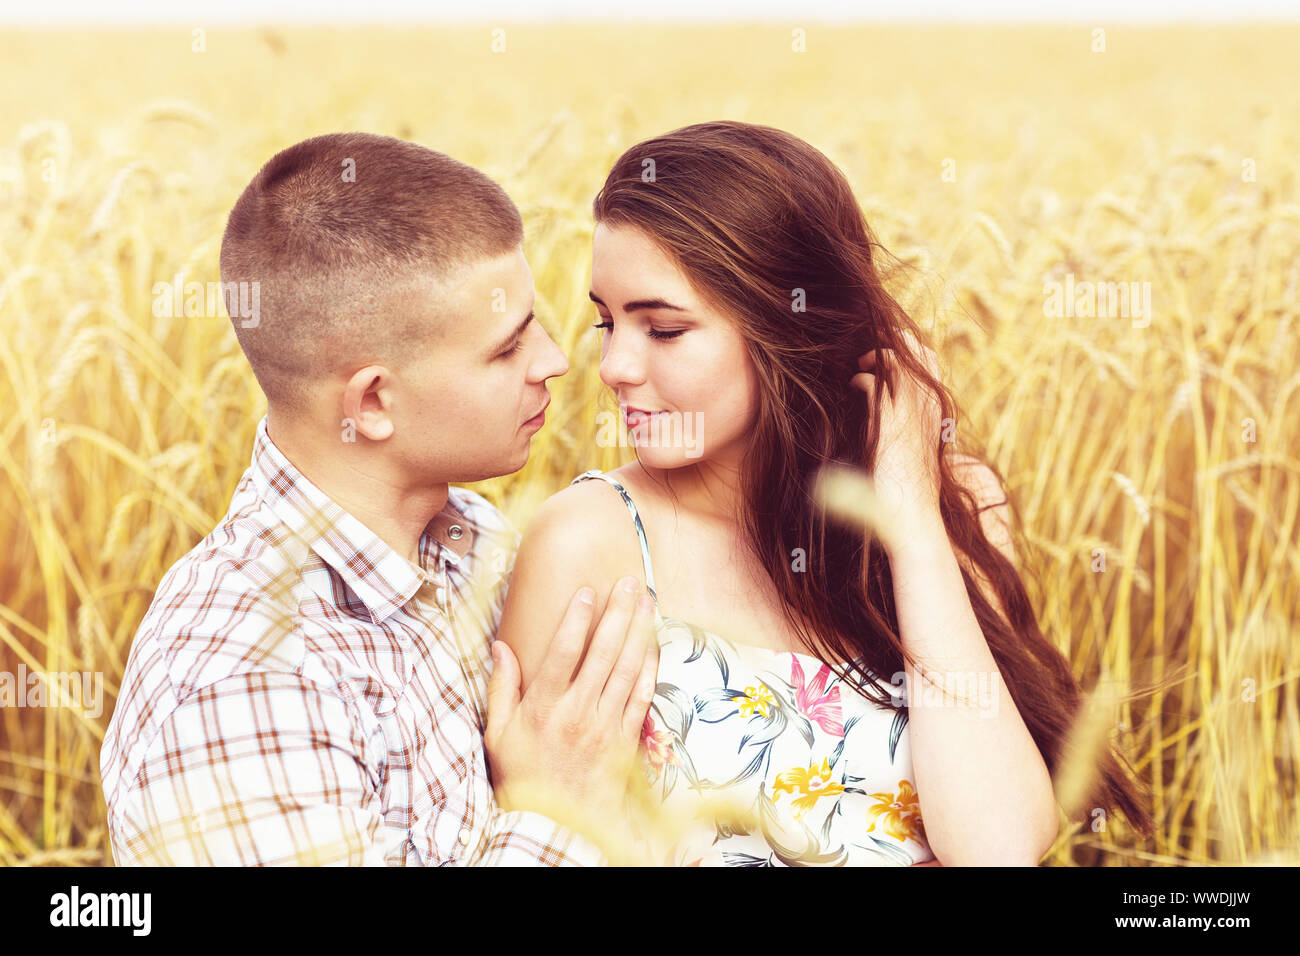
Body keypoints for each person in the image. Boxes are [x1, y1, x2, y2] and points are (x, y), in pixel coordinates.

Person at [496, 120, 1154, 866]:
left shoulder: (957, 506)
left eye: (665, 329)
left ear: (788, 327)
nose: (613, 365)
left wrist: (908, 520)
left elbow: (997, 848)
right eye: (607, 321)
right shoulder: (588, 543)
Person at [99, 132, 659, 866]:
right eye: (506, 348)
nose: (554, 362)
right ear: (371, 404)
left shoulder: (477, 542)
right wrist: (561, 817)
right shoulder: (242, 681)